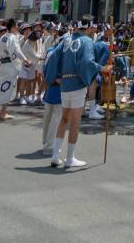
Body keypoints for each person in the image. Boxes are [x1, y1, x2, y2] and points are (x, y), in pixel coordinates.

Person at [44, 20, 110, 169]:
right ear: (88, 28)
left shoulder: (66, 39)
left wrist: (54, 76)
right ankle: (70, 158)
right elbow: (86, 62)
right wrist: (102, 68)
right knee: (75, 121)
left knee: (64, 119)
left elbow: (53, 55)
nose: (93, 30)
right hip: (77, 84)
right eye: (92, 27)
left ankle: (55, 155)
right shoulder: (86, 41)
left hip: (65, 84)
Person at [0, 19, 26, 121]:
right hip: (10, 65)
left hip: (2, 64)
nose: (17, 27)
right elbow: (16, 51)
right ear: (13, 27)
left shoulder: (2, 37)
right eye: (16, 25)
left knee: (1, 88)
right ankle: (2, 113)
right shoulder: (12, 37)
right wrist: (25, 59)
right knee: (7, 88)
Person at [41, 38, 62, 155]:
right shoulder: (59, 54)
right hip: (57, 88)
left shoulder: (49, 51)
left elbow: (43, 70)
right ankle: (49, 146)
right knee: (55, 118)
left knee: (48, 117)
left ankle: (45, 142)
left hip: (49, 87)